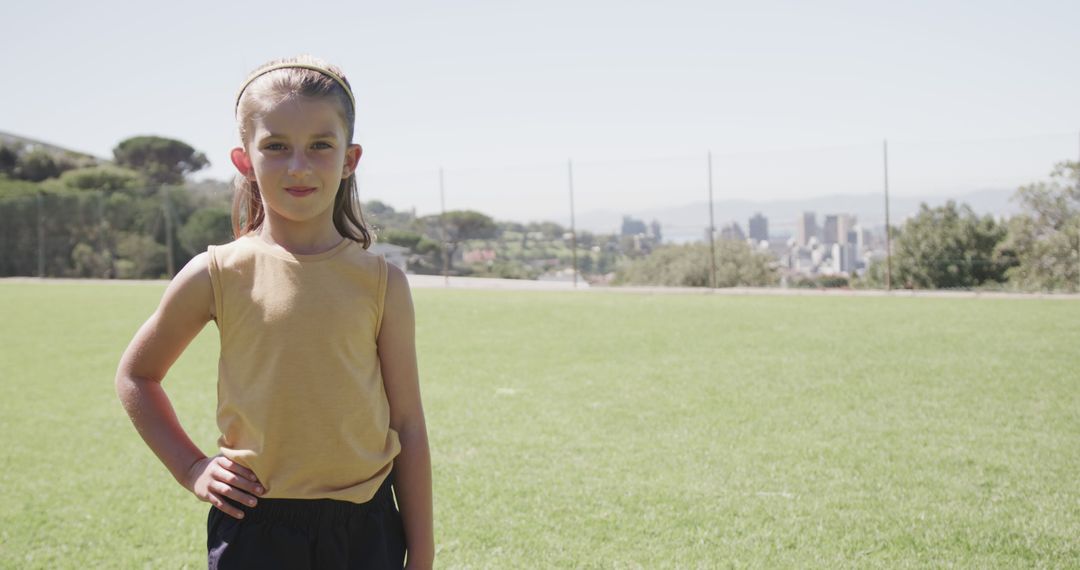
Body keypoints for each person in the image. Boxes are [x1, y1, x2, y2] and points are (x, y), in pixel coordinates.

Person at [115, 55, 434, 569]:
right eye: (277, 147)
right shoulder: (217, 272)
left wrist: (421, 554)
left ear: (350, 159)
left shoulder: (382, 282)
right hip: (254, 528)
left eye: (320, 146)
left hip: (365, 528)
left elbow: (408, 425)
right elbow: (137, 375)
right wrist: (192, 466)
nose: (299, 166)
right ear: (245, 160)